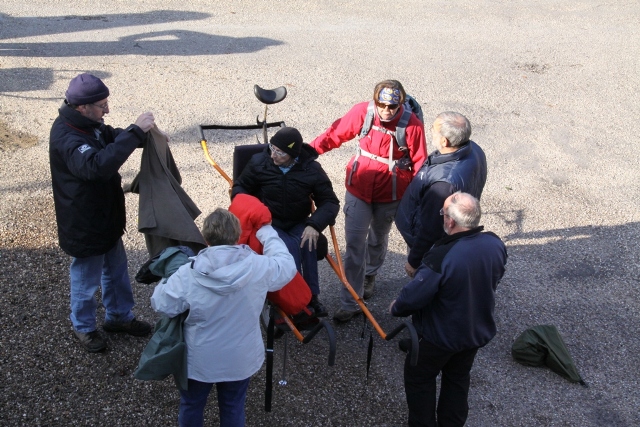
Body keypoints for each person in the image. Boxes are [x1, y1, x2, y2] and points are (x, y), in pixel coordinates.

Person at [150, 208, 297, 427]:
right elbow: (286, 264)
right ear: (237, 236)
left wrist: (169, 276)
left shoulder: (188, 273)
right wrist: (266, 232)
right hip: (240, 358)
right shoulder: (259, 267)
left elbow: (161, 304)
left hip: (199, 360)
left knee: (191, 405)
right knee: (233, 406)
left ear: (206, 238)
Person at [49, 73, 155, 352]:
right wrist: (134, 132)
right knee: (85, 279)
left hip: (105, 217)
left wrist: (143, 137)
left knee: (117, 271)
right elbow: (95, 167)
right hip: (84, 224)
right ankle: (83, 326)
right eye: (102, 105)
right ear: (83, 107)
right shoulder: (67, 136)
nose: (107, 110)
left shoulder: (89, 124)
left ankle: (119, 316)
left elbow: (109, 136)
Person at [310, 79, 427, 322]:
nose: (386, 111)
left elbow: (420, 164)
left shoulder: (412, 125)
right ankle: (351, 301)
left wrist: (419, 199)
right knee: (354, 245)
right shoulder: (362, 113)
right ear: (375, 101)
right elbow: (335, 134)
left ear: (400, 105)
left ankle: (370, 274)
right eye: (381, 105)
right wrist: (308, 152)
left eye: (391, 107)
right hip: (359, 189)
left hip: (391, 194)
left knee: (378, 237)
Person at [389, 192, 507, 427]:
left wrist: (396, 307)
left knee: (419, 379)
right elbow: (496, 276)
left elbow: (414, 296)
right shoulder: (494, 243)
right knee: (458, 379)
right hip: (474, 332)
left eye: (443, 213)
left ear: (451, 221)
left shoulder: (441, 256)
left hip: (438, 337)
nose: (442, 217)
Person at [232, 126, 339, 317]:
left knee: (309, 242)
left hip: (299, 221)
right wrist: (249, 208)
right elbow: (240, 188)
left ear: (293, 154)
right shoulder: (259, 162)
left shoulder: (311, 169)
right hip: (270, 223)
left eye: (279, 152)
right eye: (272, 148)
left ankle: (312, 296)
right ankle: (295, 301)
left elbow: (330, 201)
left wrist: (314, 225)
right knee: (288, 247)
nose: (273, 155)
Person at [394, 111, 487, 279]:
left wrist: (414, 261)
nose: (431, 132)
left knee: (425, 284)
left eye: (433, 130)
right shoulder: (474, 150)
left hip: (429, 247)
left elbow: (430, 228)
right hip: (449, 236)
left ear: (445, 141)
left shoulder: (443, 185)